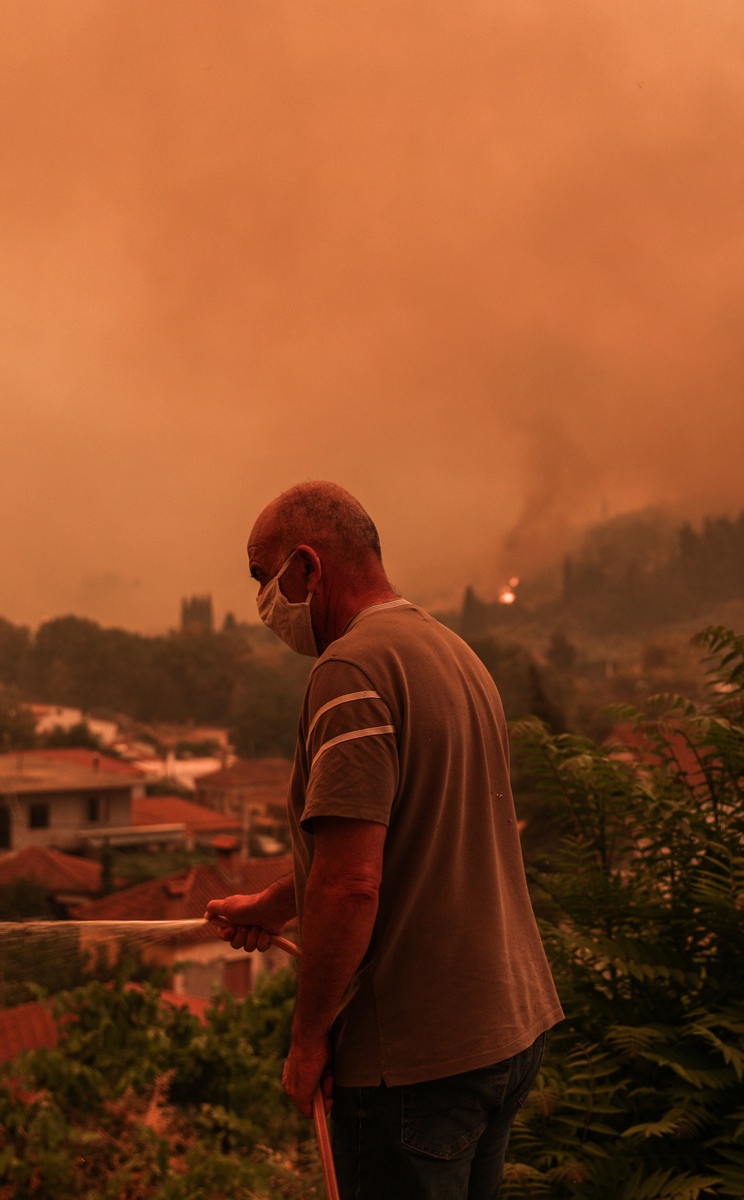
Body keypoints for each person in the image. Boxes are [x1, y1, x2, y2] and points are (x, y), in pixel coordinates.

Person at [206, 481, 562, 1200]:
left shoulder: (349, 671)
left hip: (414, 1062)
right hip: (506, 1030)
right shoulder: (451, 652)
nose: (263, 605)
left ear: (308, 568)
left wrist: (308, 1040)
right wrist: (280, 904)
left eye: (262, 579)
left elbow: (352, 884)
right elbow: (412, 843)